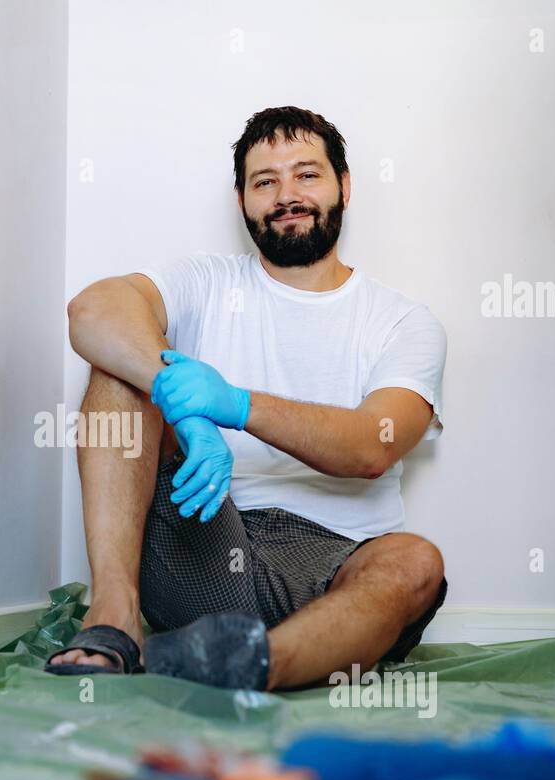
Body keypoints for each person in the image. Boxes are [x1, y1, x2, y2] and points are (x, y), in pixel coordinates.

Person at [46, 106, 449, 692]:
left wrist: (234, 405)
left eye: (307, 174)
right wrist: (180, 404)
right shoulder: (204, 282)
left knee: (416, 561)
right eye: (266, 181)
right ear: (242, 200)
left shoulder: (404, 323)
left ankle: (250, 661)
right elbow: (93, 310)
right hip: (206, 540)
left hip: (336, 577)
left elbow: (372, 446)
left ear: (344, 185)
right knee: (117, 373)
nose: (287, 194)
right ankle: (116, 616)